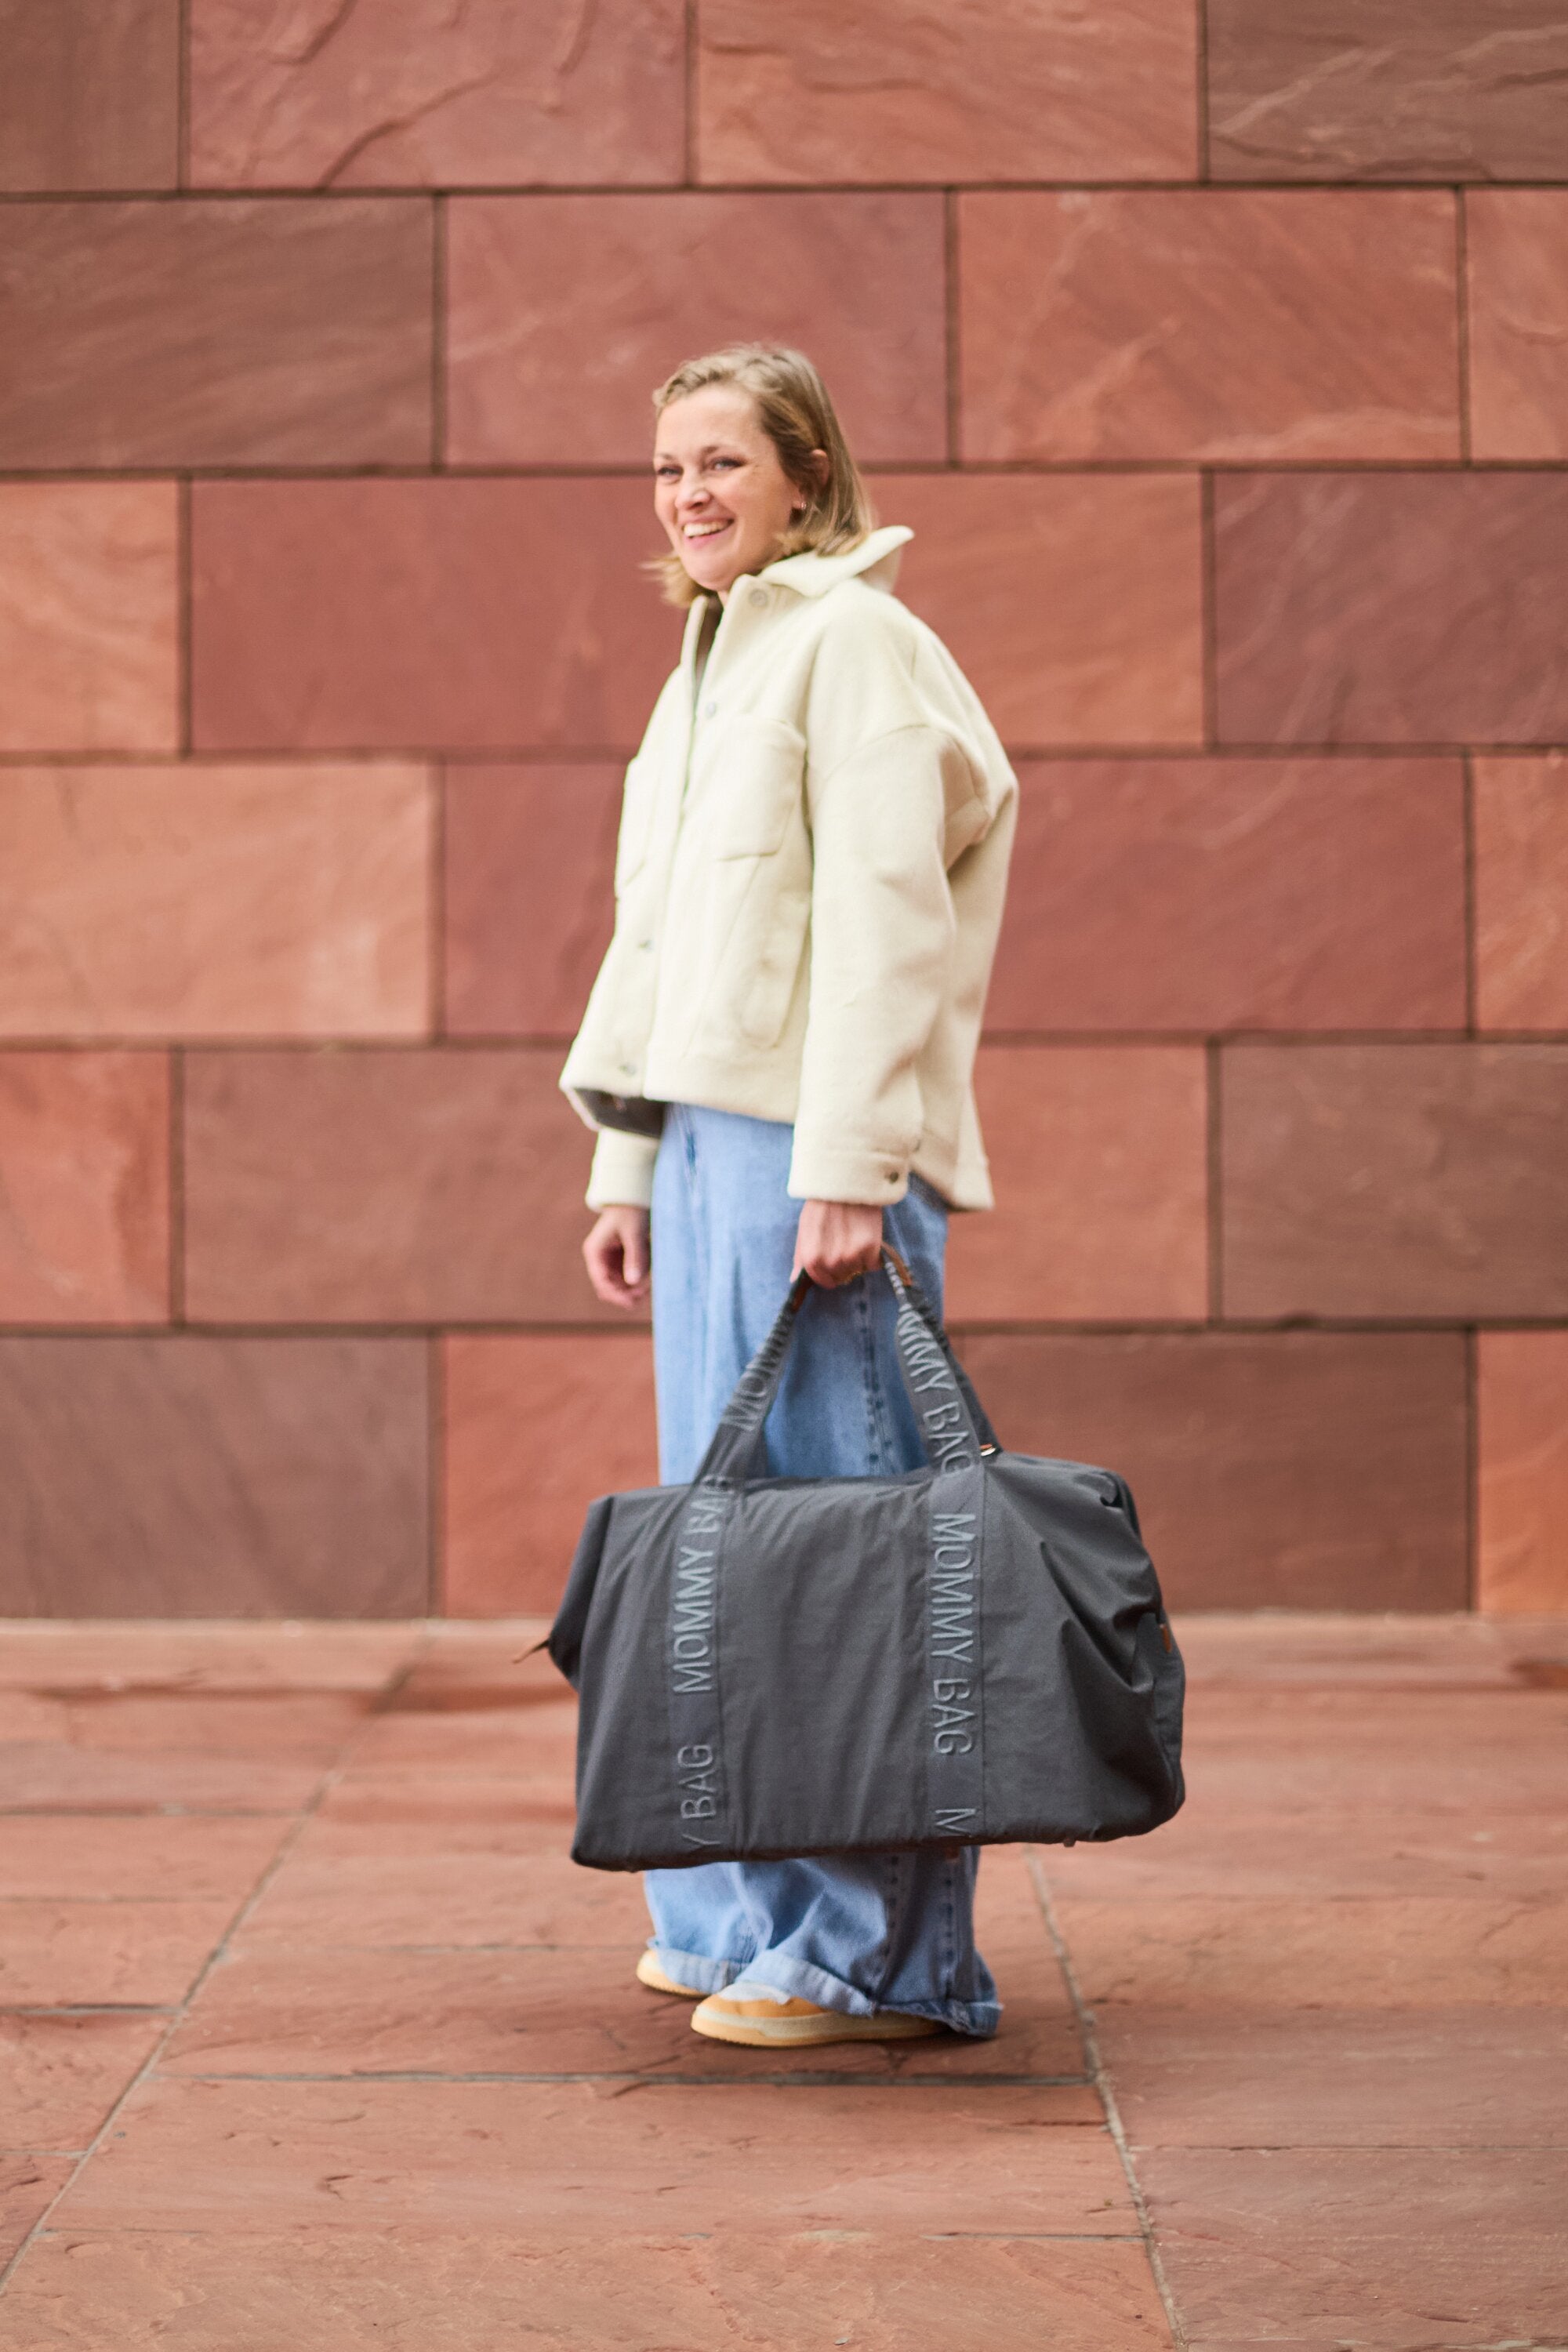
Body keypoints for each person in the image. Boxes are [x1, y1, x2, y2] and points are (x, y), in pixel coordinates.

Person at [561, 343, 1018, 2047]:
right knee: (725, 1544)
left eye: (722, 463)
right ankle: (736, 1914)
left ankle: (874, 1960)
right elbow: (656, 939)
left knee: (845, 1553)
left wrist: (848, 1168)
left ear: (808, 474)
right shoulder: (711, 660)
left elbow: (892, 918)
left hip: (810, 1159)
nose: (688, 494)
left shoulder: (855, 644)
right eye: (667, 467)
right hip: (708, 1150)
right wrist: (629, 1159)